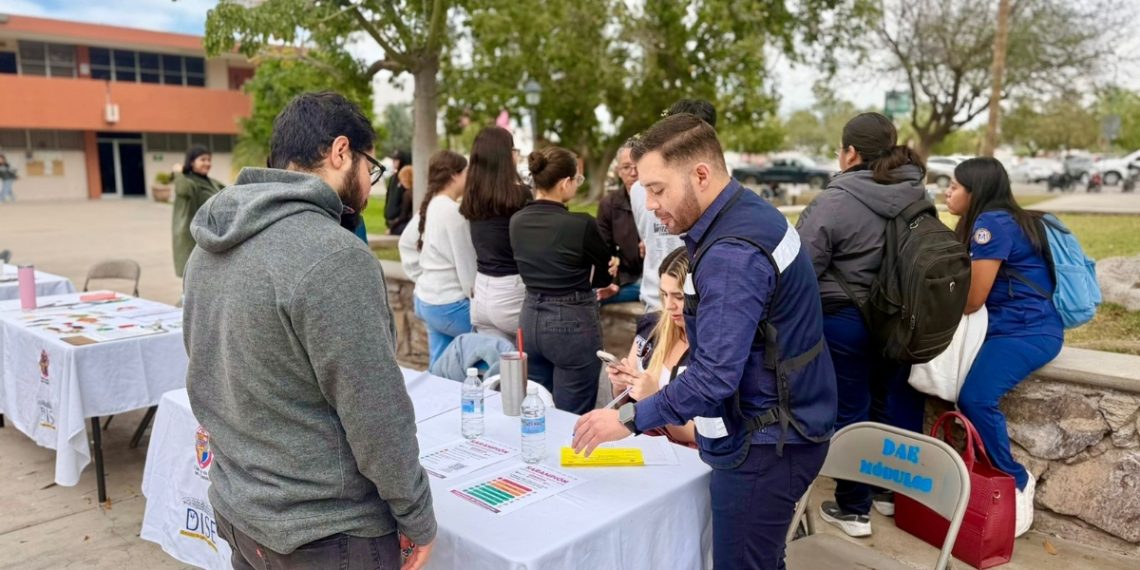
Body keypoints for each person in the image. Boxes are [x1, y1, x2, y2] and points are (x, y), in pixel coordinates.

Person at [573, 113, 837, 570]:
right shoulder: (744, 214)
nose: (649, 203)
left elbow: (714, 376)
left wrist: (631, 418)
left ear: (701, 174)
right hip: (777, 424)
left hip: (768, 441)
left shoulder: (732, 254)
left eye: (657, 189)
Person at [183, 92, 435, 570]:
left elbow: (209, 374)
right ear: (341, 152)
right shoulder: (334, 257)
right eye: (369, 166)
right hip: (326, 533)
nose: (368, 182)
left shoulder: (206, 249)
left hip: (242, 511)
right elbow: (376, 414)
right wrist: (417, 515)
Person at [794, 112, 929, 537]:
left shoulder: (834, 201)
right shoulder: (915, 192)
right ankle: (882, 492)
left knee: (850, 413)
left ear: (850, 153)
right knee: (883, 405)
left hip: (846, 322)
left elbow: (801, 269)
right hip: (900, 320)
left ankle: (853, 508)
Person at [946, 157, 1062, 537]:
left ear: (974, 192)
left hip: (1026, 332)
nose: (947, 192)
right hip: (1011, 329)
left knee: (975, 397)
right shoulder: (1005, 218)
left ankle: (1015, 478)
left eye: (954, 186)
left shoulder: (991, 224)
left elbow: (974, 298)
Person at [511, 146, 612, 414]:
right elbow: (602, 276)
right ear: (565, 182)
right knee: (571, 417)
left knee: (534, 408)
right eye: (577, 179)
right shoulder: (581, 224)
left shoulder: (517, 221)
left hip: (529, 316)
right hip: (571, 320)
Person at [607, 246, 696, 446]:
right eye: (664, 294)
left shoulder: (714, 347)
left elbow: (701, 435)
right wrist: (621, 387)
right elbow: (626, 405)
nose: (669, 305)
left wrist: (654, 401)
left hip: (688, 460)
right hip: (643, 447)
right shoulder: (651, 327)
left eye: (679, 297)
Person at [629, 100, 711, 312]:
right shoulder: (707, 187)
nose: (651, 203)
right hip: (683, 304)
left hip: (657, 299)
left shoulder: (638, 187)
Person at [459, 126, 531, 341]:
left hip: (482, 292)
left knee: (496, 369)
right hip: (512, 290)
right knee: (527, 369)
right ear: (506, 155)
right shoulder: (520, 195)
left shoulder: (471, 195)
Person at [413, 150, 476, 367]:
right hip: (448, 304)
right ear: (454, 175)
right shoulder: (452, 211)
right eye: (466, 171)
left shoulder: (434, 204)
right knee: (492, 347)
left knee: (439, 367)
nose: (469, 176)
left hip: (427, 300)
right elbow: (466, 266)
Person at [597, 141, 644, 305]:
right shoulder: (609, 204)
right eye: (626, 167)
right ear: (618, 171)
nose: (633, 173)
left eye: (638, 166)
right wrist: (614, 281)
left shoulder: (661, 198)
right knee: (592, 295)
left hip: (658, 277)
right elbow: (603, 250)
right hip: (626, 279)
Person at [172, 145, 225, 279]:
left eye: (209, 160)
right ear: (191, 162)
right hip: (193, 240)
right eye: (203, 159)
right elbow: (182, 189)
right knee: (195, 279)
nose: (207, 163)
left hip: (211, 236)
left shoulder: (211, 182)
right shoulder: (189, 182)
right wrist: (178, 172)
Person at [385, 150, 414, 235]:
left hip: (402, 221)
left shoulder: (408, 193)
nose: (394, 162)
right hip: (397, 220)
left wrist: (392, 227)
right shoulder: (393, 178)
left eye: (396, 160)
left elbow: (404, 215)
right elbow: (388, 196)